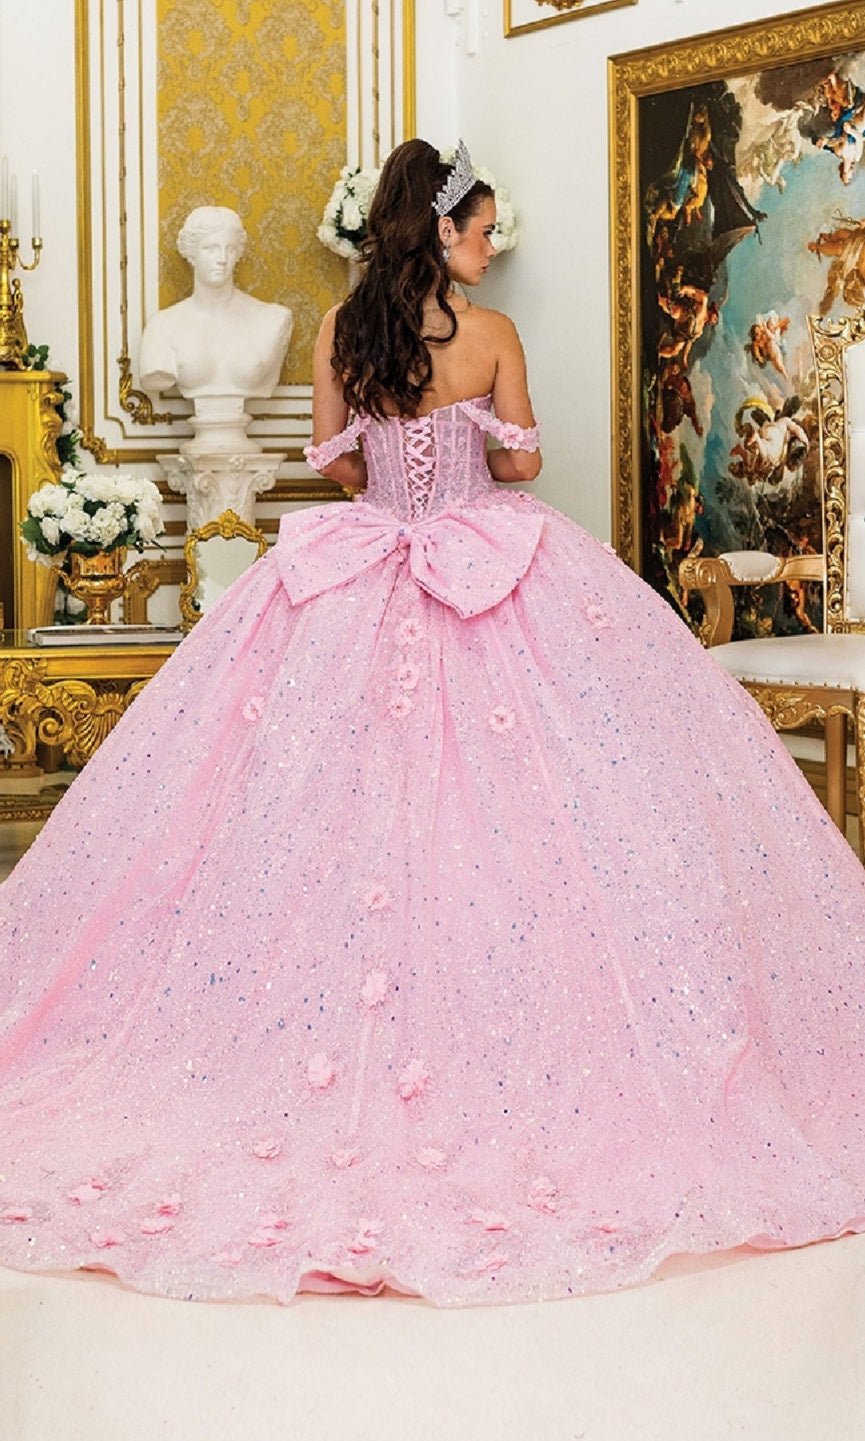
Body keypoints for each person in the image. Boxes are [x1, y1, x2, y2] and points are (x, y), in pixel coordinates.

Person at [2, 138, 865, 1309]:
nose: (491, 247)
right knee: (543, 820)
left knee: (299, 811)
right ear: (439, 230)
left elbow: (340, 472)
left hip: (359, 570)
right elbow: (522, 469)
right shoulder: (492, 336)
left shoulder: (339, 333)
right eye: (480, 230)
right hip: (484, 557)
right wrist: (470, 451)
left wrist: (404, 476)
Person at [139, 205, 292, 402]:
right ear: (191, 254)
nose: (222, 259)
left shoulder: (273, 319)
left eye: (230, 249)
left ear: (238, 254)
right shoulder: (162, 326)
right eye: (211, 249)